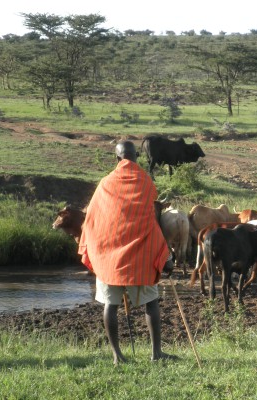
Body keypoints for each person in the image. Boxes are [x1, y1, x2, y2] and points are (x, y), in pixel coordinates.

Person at [78, 140, 176, 364]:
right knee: (151, 302)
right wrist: (164, 255)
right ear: (136, 157)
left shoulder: (105, 184)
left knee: (110, 304)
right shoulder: (145, 181)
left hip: (109, 258)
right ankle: (156, 354)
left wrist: (96, 246)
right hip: (140, 256)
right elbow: (150, 221)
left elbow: (93, 219)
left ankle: (117, 355)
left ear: (117, 159)